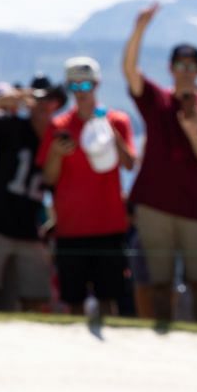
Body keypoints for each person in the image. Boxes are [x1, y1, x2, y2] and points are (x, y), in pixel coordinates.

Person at [121, 2, 197, 327]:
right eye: (179, 64)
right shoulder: (157, 100)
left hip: (195, 208)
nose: (185, 69)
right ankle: (163, 341)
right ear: (171, 68)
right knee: (159, 282)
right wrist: (139, 28)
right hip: (155, 206)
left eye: (191, 64)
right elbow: (129, 71)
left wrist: (193, 133)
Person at [39, 57, 137, 331]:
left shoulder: (118, 120)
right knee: (74, 302)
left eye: (86, 84)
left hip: (109, 227)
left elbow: (129, 163)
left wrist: (110, 131)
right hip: (71, 229)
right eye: (74, 85)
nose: (81, 91)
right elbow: (48, 178)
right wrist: (57, 154)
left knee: (110, 300)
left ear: (97, 85)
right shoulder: (58, 126)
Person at [0, 78, 66, 312]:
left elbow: (59, 187)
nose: (44, 106)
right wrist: (2, 101)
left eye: (51, 101)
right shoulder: (11, 127)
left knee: (35, 298)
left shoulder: (59, 140)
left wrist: (54, 224)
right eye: (39, 99)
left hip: (31, 233)